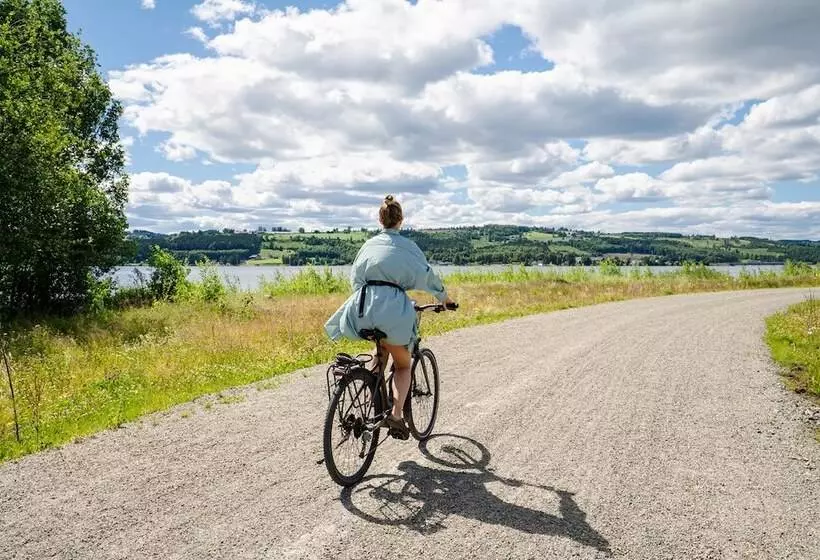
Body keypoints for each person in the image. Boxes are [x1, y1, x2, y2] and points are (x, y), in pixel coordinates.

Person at [324, 195, 456, 440]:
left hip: (363, 308)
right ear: (400, 220)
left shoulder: (368, 245)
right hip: (393, 311)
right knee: (403, 364)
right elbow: (427, 275)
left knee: (380, 352)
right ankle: (395, 416)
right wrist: (445, 299)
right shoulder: (408, 247)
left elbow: (355, 280)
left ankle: (370, 396)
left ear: (380, 220)